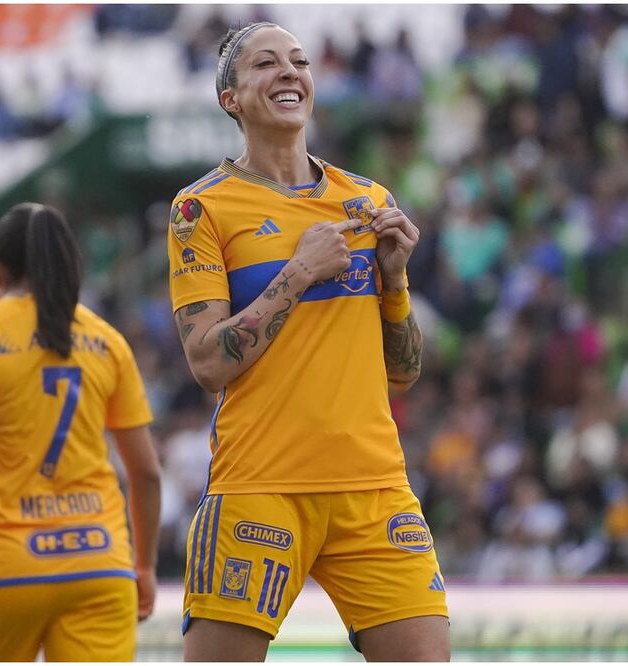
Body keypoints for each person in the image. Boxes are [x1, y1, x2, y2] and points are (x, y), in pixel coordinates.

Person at [166, 22, 449, 661]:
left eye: (299, 61)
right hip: (260, 485)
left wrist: (394, 281)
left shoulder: (367, 199)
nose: (290, 72)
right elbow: (207, 362)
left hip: (373, 487)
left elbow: (403, 372)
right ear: (231, 99)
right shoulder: (200, 209)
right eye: (266, 64)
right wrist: (297, 274)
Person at [0, 203, 161, 661]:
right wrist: (145, 565)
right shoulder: (108, 341)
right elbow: (146, 473)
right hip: (100, 563)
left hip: (6, 569)